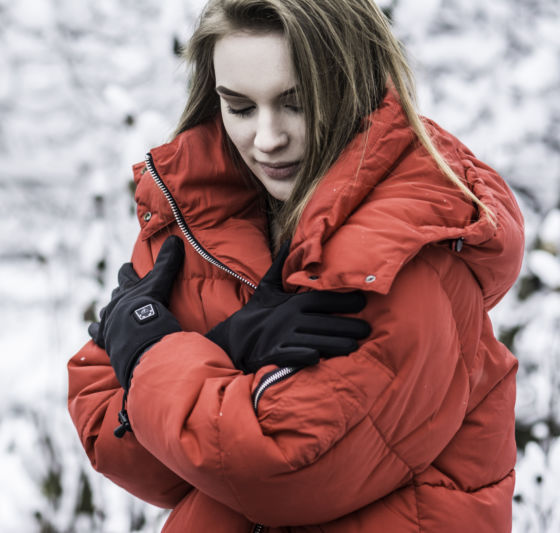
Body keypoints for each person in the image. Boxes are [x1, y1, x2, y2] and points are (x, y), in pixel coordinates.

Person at [67, 0, 524, 531]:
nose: (266, 139)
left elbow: (272, 466)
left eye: (296, 104)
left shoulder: (405, 252)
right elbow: (117, 441)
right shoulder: (197, 218)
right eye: (239, 108)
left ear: (353, 87)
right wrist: (224, 343)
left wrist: (147, 350)